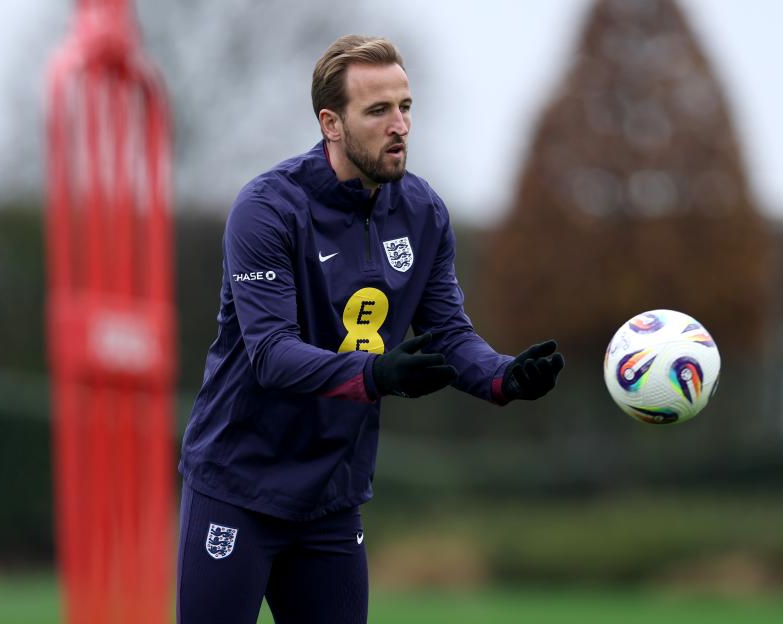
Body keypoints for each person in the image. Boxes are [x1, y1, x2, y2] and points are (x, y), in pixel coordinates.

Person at [176, 34, 564, 624]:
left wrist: (506, 378)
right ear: (331, 123)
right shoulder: (268, 209)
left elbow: (449, 335)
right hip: (239, 486)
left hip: (331, 498)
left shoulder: (424, 213)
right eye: (378, 110)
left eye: (406, 107)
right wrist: (376, 372)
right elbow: (272, 355)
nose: (400, 125)